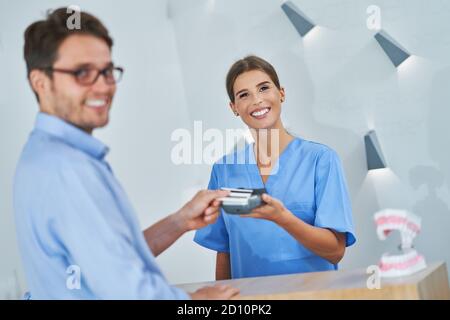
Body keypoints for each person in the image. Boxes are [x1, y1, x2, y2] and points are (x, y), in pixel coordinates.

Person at [13, 7, 239, 300]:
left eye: (107, 71)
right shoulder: (66, 168)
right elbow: (127, 291)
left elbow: (107, 259)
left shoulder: (46, 155)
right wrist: (197, 302)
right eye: (82, 73)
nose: (103, 86)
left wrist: (180, 221)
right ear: (40, 82)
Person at [194, 55, 356, 279]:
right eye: (244, 95)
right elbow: (226, 250)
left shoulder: (321, 160)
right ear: (234, 107)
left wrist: (283, 218)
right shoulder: (225, 170)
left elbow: (336, 251)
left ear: (281, 93)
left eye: (263, 88)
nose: (257, 100)